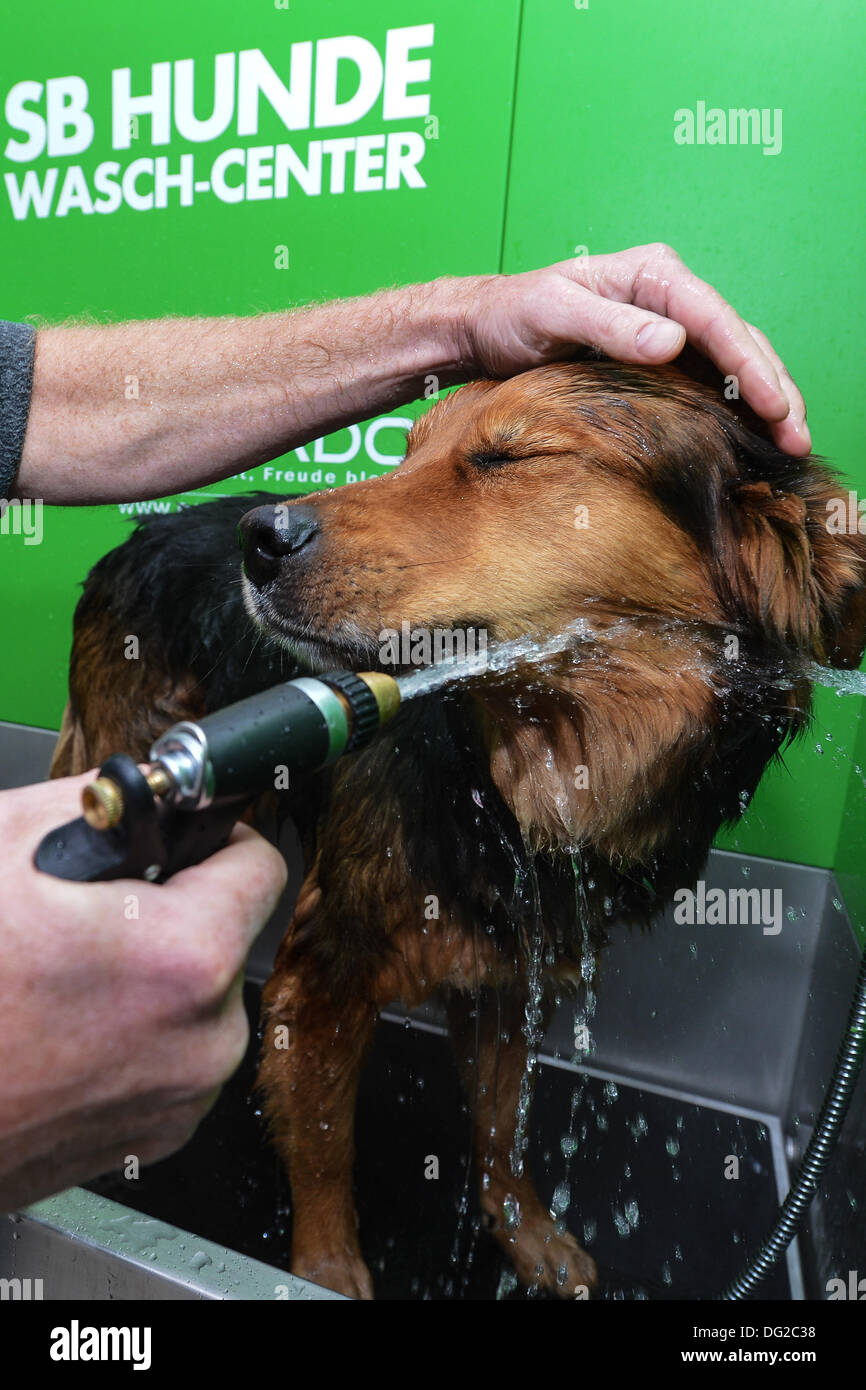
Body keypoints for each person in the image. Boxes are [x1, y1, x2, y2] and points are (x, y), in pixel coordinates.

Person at [0, 244, 810, 1213]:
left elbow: (24, 398)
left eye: (502, 458)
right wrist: (324, 1254)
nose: (318, 517)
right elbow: (311, 992)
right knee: (131, 866)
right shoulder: (429, 717)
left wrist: (506, 1192)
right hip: (147, 609)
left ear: (753, 562)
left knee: (502, 977)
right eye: (420, 451)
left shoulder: (640, 726)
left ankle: (502, 1192)